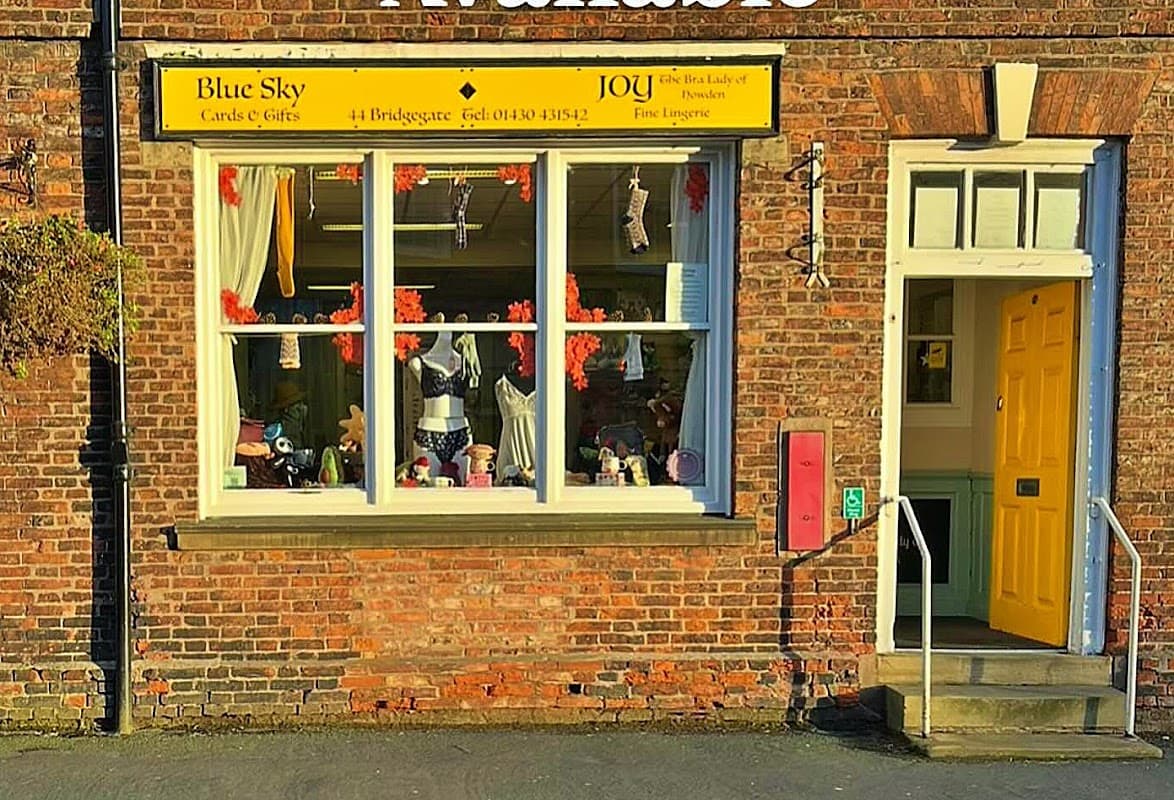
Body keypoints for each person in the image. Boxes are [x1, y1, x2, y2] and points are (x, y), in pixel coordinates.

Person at [269, 380, 308, 448]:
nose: (302, 407)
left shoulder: (301, 427)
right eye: (296, 405)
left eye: (301, 403)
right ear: (286, 409)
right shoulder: (277, 431)